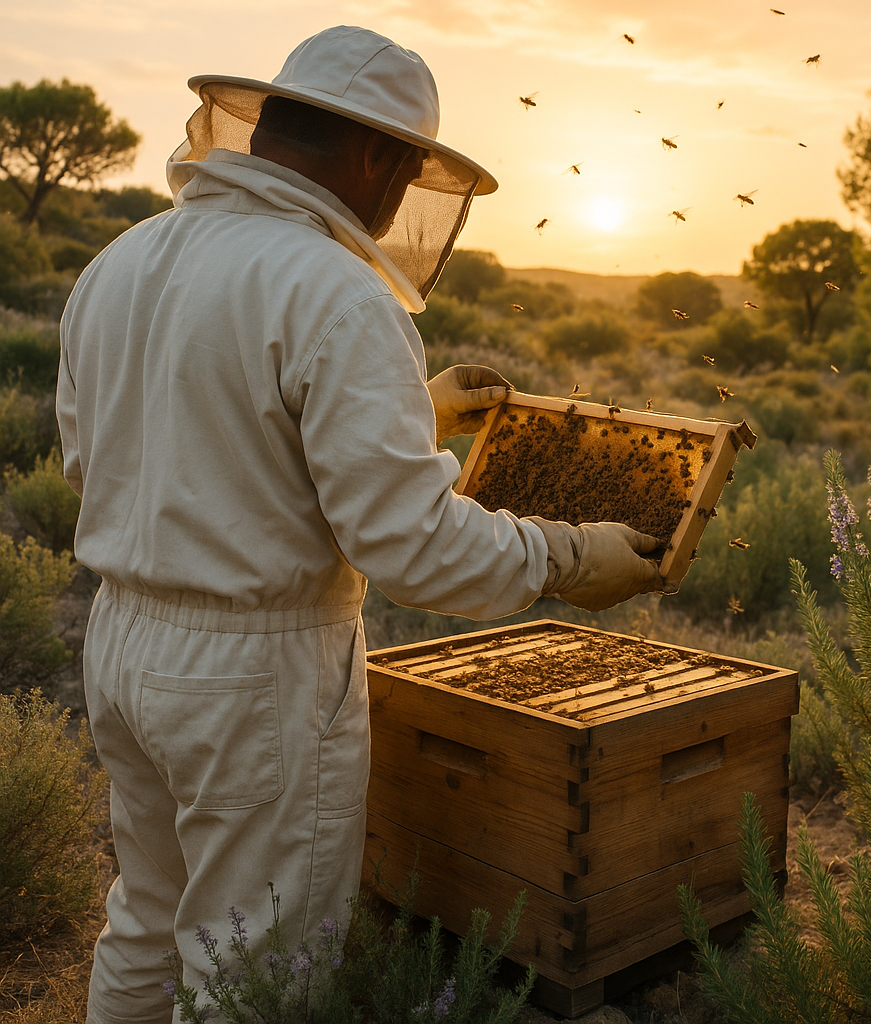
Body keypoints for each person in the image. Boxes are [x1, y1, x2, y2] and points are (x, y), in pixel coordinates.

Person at [57, 25, 664, 1023]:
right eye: (408, 172)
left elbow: (141, 454)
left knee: (149, 921)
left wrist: (412, 414)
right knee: (255, 969)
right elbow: (407, 542)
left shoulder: (118, 265)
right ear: (381, 156)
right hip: (255, 680)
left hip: (122, 643)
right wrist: (564, 554)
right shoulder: (333, 289)